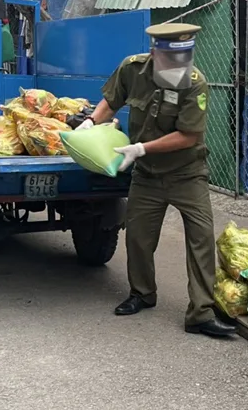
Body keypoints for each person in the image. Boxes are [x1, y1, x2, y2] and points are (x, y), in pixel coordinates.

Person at [79, 23, 236, 339]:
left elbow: (189, 136)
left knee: (201, 238)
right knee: (137, 236)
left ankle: (201, 313)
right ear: (154, 53)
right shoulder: (132, 69)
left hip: (187, 173)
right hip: (148, 175)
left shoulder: (195, 83)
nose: (178, 67)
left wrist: (140, 148)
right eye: (171, 60)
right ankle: (142, 293)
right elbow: (112, 100)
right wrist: (90, 122)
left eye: (183, 58)